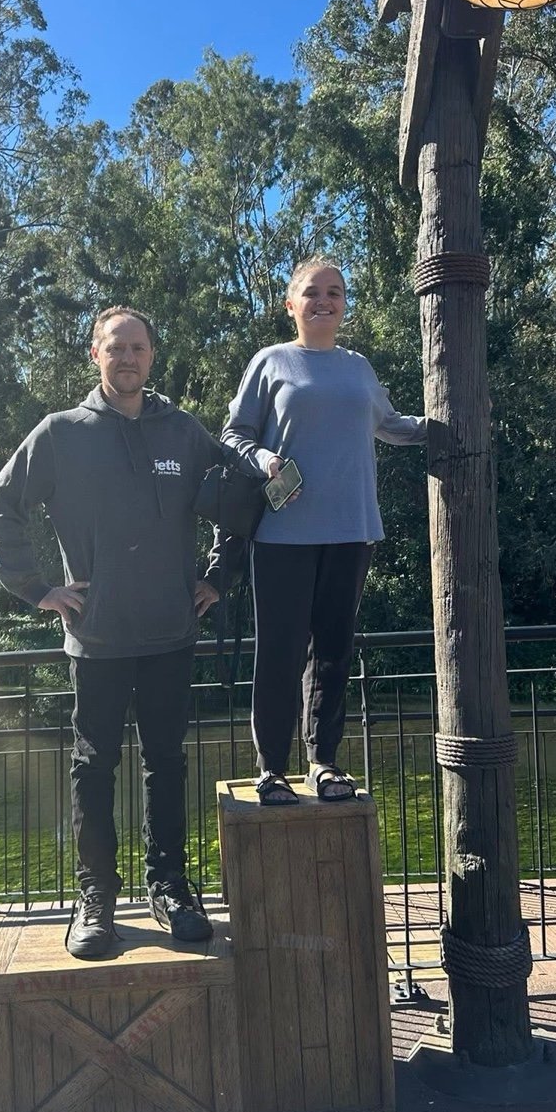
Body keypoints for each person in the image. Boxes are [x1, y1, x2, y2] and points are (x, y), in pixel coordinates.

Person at [0, 306, 231, 958]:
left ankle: (170, 887)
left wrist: (222, 573)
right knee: (94, 768)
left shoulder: (184, 433)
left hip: (172, 634)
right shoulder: (61, 434)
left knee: (168, 765)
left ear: (153, 356)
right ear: (96, 354)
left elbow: (246, 491)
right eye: (115, 347)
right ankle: (96, 898)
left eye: (138, 348)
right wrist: (38, 589)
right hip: (97, 640)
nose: (127, 358)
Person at [221, 259, 427, 805]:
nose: (324, 301)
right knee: (281, 653)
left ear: (344, 304)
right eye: (311, 293)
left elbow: (392, 426)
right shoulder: (270, 362)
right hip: (282, 534)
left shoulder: (358, 368)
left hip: (352, 530)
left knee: (334, 650)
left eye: (334, 292)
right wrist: (264, 459)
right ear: (291, 304)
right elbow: (234, 434)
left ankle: (324, 762)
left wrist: (446, 427)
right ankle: (271, 769)